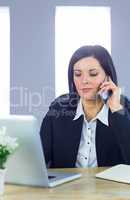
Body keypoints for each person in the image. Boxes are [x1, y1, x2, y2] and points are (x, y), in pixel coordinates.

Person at [40, 45, 130, 168]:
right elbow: (38, 157)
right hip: (66, 186)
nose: (84, 80)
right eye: (77, 74)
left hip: (111, 187)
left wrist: (116, 109)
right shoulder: (59, 107)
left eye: (93, 74)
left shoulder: (123, 107)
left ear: (108, 77)